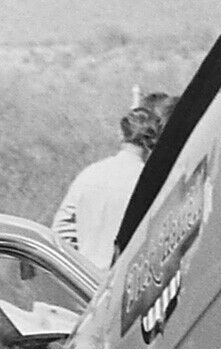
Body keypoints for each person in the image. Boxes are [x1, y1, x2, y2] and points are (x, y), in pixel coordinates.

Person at [51, 92, 177, 271]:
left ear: (123, 134)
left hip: (87, 284)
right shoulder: (152, 183)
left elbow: (61, 236)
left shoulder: (88, 175)